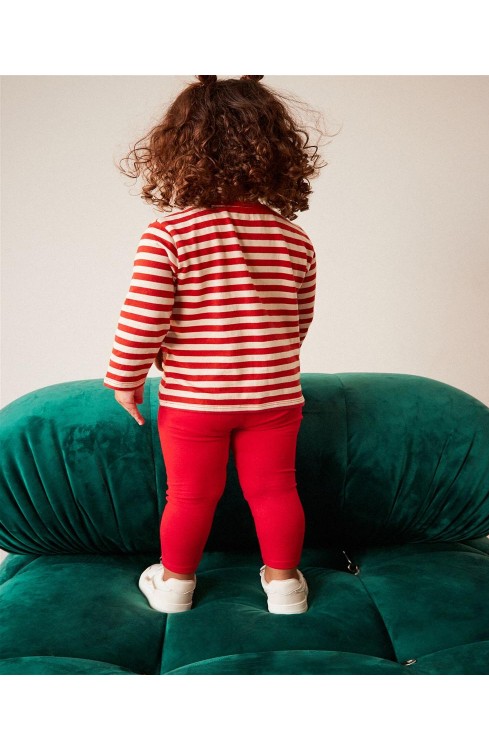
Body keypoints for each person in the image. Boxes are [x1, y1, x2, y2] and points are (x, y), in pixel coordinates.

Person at [103, 75, 325, 615]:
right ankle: (285, 587)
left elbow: (143, 320)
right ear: (277, 151)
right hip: (273, 396)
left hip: (196, 400)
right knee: (276, 491)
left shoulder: (169, 236)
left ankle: (175, 585)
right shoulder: (294, 239)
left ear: (177, 151)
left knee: (190, 495)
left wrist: (125, 380)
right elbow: (298, 323)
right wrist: (265, 360)